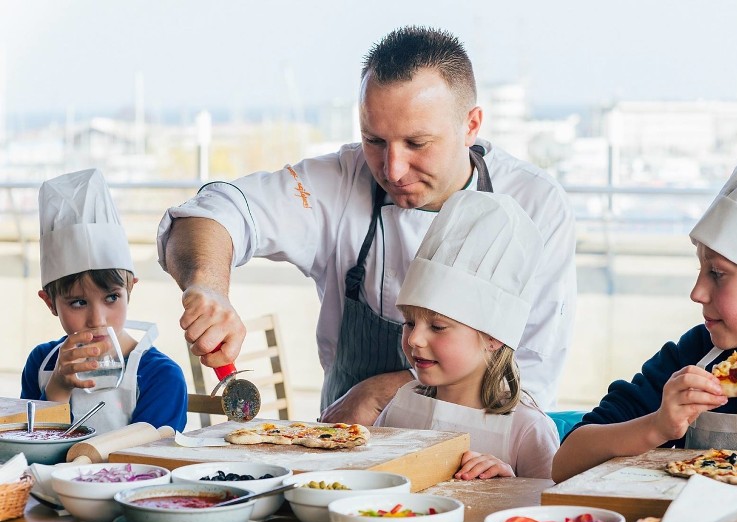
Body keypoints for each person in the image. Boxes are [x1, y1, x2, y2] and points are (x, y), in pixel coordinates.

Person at [156, 26, 577, 424]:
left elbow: (530, 383)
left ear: (471, 125)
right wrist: (208, 286)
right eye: (374, 140)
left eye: (416, 143)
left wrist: (385, 392)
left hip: (479, 456)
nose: (392, 169)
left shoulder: (537, 204)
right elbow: (210, 213)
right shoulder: (339, 181)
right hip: (347, 450)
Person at [552, 134, 737, 483]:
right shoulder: (694, 356)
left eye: (718, 274)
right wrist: (657, 425)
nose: (697, 292)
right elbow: (565, 462)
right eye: (700, 269)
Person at [374, 190, 559, 480]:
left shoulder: (527, 430)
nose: (414, 339)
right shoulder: (401, 405)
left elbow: (552, 512)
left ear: (493, 337)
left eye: (437, 327)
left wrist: (509, 485)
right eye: (409, 323)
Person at [21, 169, 187, 433]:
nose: (97, 320)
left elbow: (146, 464)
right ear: (50, 303)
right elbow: (28, 452)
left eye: (111, 297)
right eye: (78, 302)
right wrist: (58, 390)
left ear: (130, 289)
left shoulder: (161, 377)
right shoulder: (40, 363)